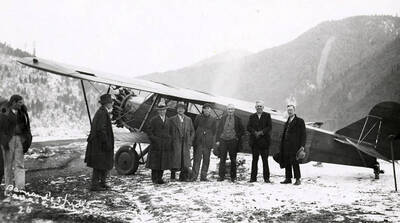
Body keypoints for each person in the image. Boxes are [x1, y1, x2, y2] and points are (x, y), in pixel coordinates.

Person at [84, 94, 115, 191]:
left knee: (102, 164)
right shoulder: (102, 113)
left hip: (99, 143)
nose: (112, 104)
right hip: (100, 144)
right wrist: (106, 143)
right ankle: (95, 185)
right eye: (110, 103)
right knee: (99, 165)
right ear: (107, 104)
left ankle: (102, 183)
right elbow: (101, 130)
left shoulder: (102, 112)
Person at [1, 95, 31, 190]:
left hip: (20, 140)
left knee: (19, 165)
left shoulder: (23, 112)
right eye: (20, 103)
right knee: (8, 166)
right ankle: (9, 188)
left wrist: (27, 139)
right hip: (8, 140)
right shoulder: (4, 110)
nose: (22, 105)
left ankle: (20, 188)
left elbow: (27, 126)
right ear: (14, 102)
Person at [146, 101, 173, 184]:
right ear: (158, 111)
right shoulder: (153, 120)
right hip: (156, 145)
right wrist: (155, 140)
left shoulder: (168, 120)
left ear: (166, 110)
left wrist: (169, 140)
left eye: (163, 110)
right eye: (160, 110)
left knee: (163, 162)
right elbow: (149, 132)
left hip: (165, 145)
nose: (162, 111)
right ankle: (154, 179)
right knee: (155, 163)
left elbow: (170, 132)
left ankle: (160, 178)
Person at [215, 104, 244, 182]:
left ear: (234, 110)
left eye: (231, 109)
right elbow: (219, 129)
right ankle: (221, 176)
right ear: (227, 110)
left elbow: (242, 130)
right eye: (229, 109)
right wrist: (218, 140)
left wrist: (236, 137)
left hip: (233, 141)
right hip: (223, 140)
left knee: (233, 159)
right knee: (222, 159)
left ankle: (233, 177)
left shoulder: (238, 119)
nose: (230, 111)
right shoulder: (223, 118)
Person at [279, 104, 306, 186]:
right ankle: (288, 178)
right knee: (287, 162)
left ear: (294, 111)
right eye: (288, 110)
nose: (289, 111)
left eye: (291, 110)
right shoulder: (287, 121)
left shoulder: (300, 121)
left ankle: (298, 179)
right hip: (286, 145)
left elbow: (303, 134)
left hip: (295, 146)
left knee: (295, 162)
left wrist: (302, 146)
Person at [247, 100, 272, 183]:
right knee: (254, 161)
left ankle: (266, 178)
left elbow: (269, 127)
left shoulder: (267, 115)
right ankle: (253, 178)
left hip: (264, 142)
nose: (259, 107)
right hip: (255, 142)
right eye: (258, 106)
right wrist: (254, 132)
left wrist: (261, 132)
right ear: (255, 107)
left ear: (263, 107)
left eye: (260, 106)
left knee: (265, 161)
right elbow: (248, 127)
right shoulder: (252, 116)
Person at [169, 102, 195, 181]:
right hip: (176, 143)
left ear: (184, 110)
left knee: (185, 161)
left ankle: (183, 177)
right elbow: (168, 132)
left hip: (185, 143)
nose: (180, 110)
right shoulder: (172, 119)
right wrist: (171, 141)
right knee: (175, 159)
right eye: (179, 108)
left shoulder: (188, 119)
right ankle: (172, 176)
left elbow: (192, 131)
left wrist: (190, 141)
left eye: (182, 108)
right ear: (176, 110)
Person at [191, 103, 217, 181]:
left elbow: (214, 131)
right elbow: (195, 128)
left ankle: (203, 176)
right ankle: (194, 176)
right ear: (203, 109)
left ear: (210, 110)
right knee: (197, 160)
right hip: (198, 142)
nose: (207, 110)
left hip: (207, 143)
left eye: (208, 109)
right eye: (205, 108)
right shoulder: (198, 117)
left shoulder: (213, 119)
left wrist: (210, 139)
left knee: (206, 160)